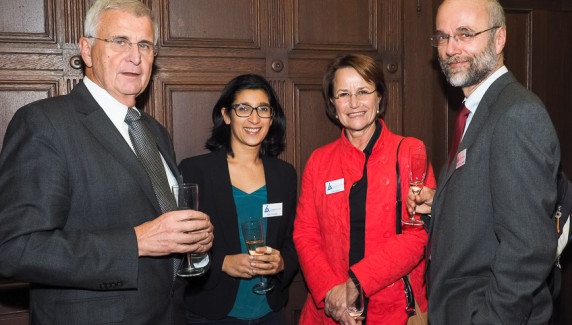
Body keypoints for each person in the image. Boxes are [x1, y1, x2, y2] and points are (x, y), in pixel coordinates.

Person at [0, 0, 213, 324]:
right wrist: (136, 242)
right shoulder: (44, 123)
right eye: (120, 41)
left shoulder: (155, 132)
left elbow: (163, 227)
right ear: (86, 49)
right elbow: (14, 250)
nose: (135, 57)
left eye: (144, 45)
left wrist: (196, 243)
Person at [407, 0, 561, 323]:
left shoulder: (517, 114)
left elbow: (528, 248)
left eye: (465, 34)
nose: (451, 48)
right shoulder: (476, 110)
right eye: (443, 37)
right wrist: (441, 203)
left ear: (499, 37)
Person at [293, 54, 436, 324]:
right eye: (343, 94)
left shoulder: (409, 152)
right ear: (333, 104)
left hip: (393, 310)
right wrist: (331, 292)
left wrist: (358, 281)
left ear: (379, 97)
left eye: (363, 91)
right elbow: (305, 233)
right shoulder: (319, 161)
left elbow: (417, 236)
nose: (354, 103)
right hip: (329, 310)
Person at [177, 74, 299, 324]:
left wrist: (282, 261)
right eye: (243, 108)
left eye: (263, 109)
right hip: (212, 312)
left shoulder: (284, 174)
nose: (254, 118)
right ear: (226, 115)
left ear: (271, 117)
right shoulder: (195, 171)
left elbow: (293, 239)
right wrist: (222, 263)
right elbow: (180, 243)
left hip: (270, 312)